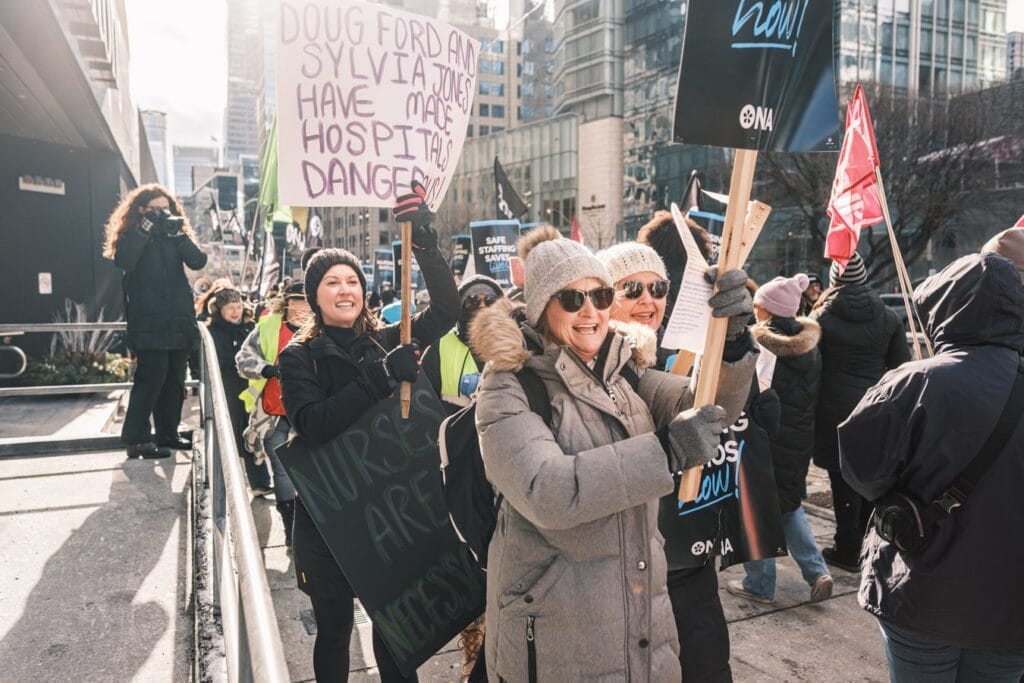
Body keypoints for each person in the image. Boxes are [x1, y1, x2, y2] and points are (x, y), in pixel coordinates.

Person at [468, 226, 756, 682]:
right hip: (558, 636)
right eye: (571, 299)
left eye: (600, 296)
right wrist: (666, 450)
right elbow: (549, 491)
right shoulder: (508, 385)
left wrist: (734, 341)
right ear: (543, 307)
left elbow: (707, 406)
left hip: (640, 620)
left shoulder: (626, 373)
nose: (590, 311)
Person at [278, 183, 459, 683]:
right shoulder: (297, 356)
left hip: (388, 515)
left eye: (352, 281)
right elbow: (313, 424)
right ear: (315, 296)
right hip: (329, 520)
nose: (345, 290)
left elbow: (447, 310)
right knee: (334, 634)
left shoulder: (388, 338)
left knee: (395, 631)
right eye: (332, 282)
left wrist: (424, 242)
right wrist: (380, 377)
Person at [837, 251, 1024, 682]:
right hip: (1011, 606)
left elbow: (861, 471)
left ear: (945, 308)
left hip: (922, 591)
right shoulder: (916, 380)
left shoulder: (914, 381)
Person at [598, 240, 757, 681]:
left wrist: (734, 340)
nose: (648, 300)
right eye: (631, 289)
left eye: (658, 287)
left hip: (687, 566)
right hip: (614, 576)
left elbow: (716, 405)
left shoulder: (681, 354)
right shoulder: (580, 367)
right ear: (601, 297)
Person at [727, 274, 833, 605]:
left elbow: (752, 393)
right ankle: (817, 572)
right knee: (788, 505)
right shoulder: (809, 347)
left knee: (754, 509)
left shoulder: (761, 346)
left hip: (764, 440)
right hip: (799, 440)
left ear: (766, 311)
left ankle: (759, 584)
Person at [810, 252, 910, 572]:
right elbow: (901, 369)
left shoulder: (821, 318)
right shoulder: (889, 317)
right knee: (869, 477)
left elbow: (812, 370)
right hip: (874, 408)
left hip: (833, 409)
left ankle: (847, 547)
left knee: (840, 479)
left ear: (834, 281)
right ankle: (869, 544)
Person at [103, 183, 208, 459]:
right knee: (151, 378)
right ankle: (136, 439)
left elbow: (198, 261)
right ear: (141, 210)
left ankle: (167, 434)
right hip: (149, 321)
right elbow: (124, 260)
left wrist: (180, 235)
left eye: (166, 208)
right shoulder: (132, 236)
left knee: (175, 380)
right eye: (155, 210)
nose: (162, 214)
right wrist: (145, 228)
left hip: (179, 320)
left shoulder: (174, 234)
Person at [235, 281, 310, 532]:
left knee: (309, 473)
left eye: (308, 300)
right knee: (283, 471)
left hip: (311, 415)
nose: (303, 306)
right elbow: (243, 359)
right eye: (298, 299)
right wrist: (266, 369)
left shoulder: (323, 328)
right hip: (274, 414)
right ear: (286, 302)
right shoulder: (268, 327)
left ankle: (309, 529)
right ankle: (290, 528)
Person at [204, 286, 270, 489]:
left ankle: (259, 482)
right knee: (230, 433)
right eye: (230, 307)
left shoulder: (251, 328)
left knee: (252, 430)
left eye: (239, 306)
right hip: (228, 389)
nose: (236, 311)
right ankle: (225, 483)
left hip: (251, 388)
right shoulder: (212, 332)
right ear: (220, 309)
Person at [421, 274, 505, 414]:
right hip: (451, 434)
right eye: (473, 300)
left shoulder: (514, 347)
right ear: (460, 307)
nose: (482, 307)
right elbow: (423, 404)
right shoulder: (439, 347)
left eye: (490, 301)